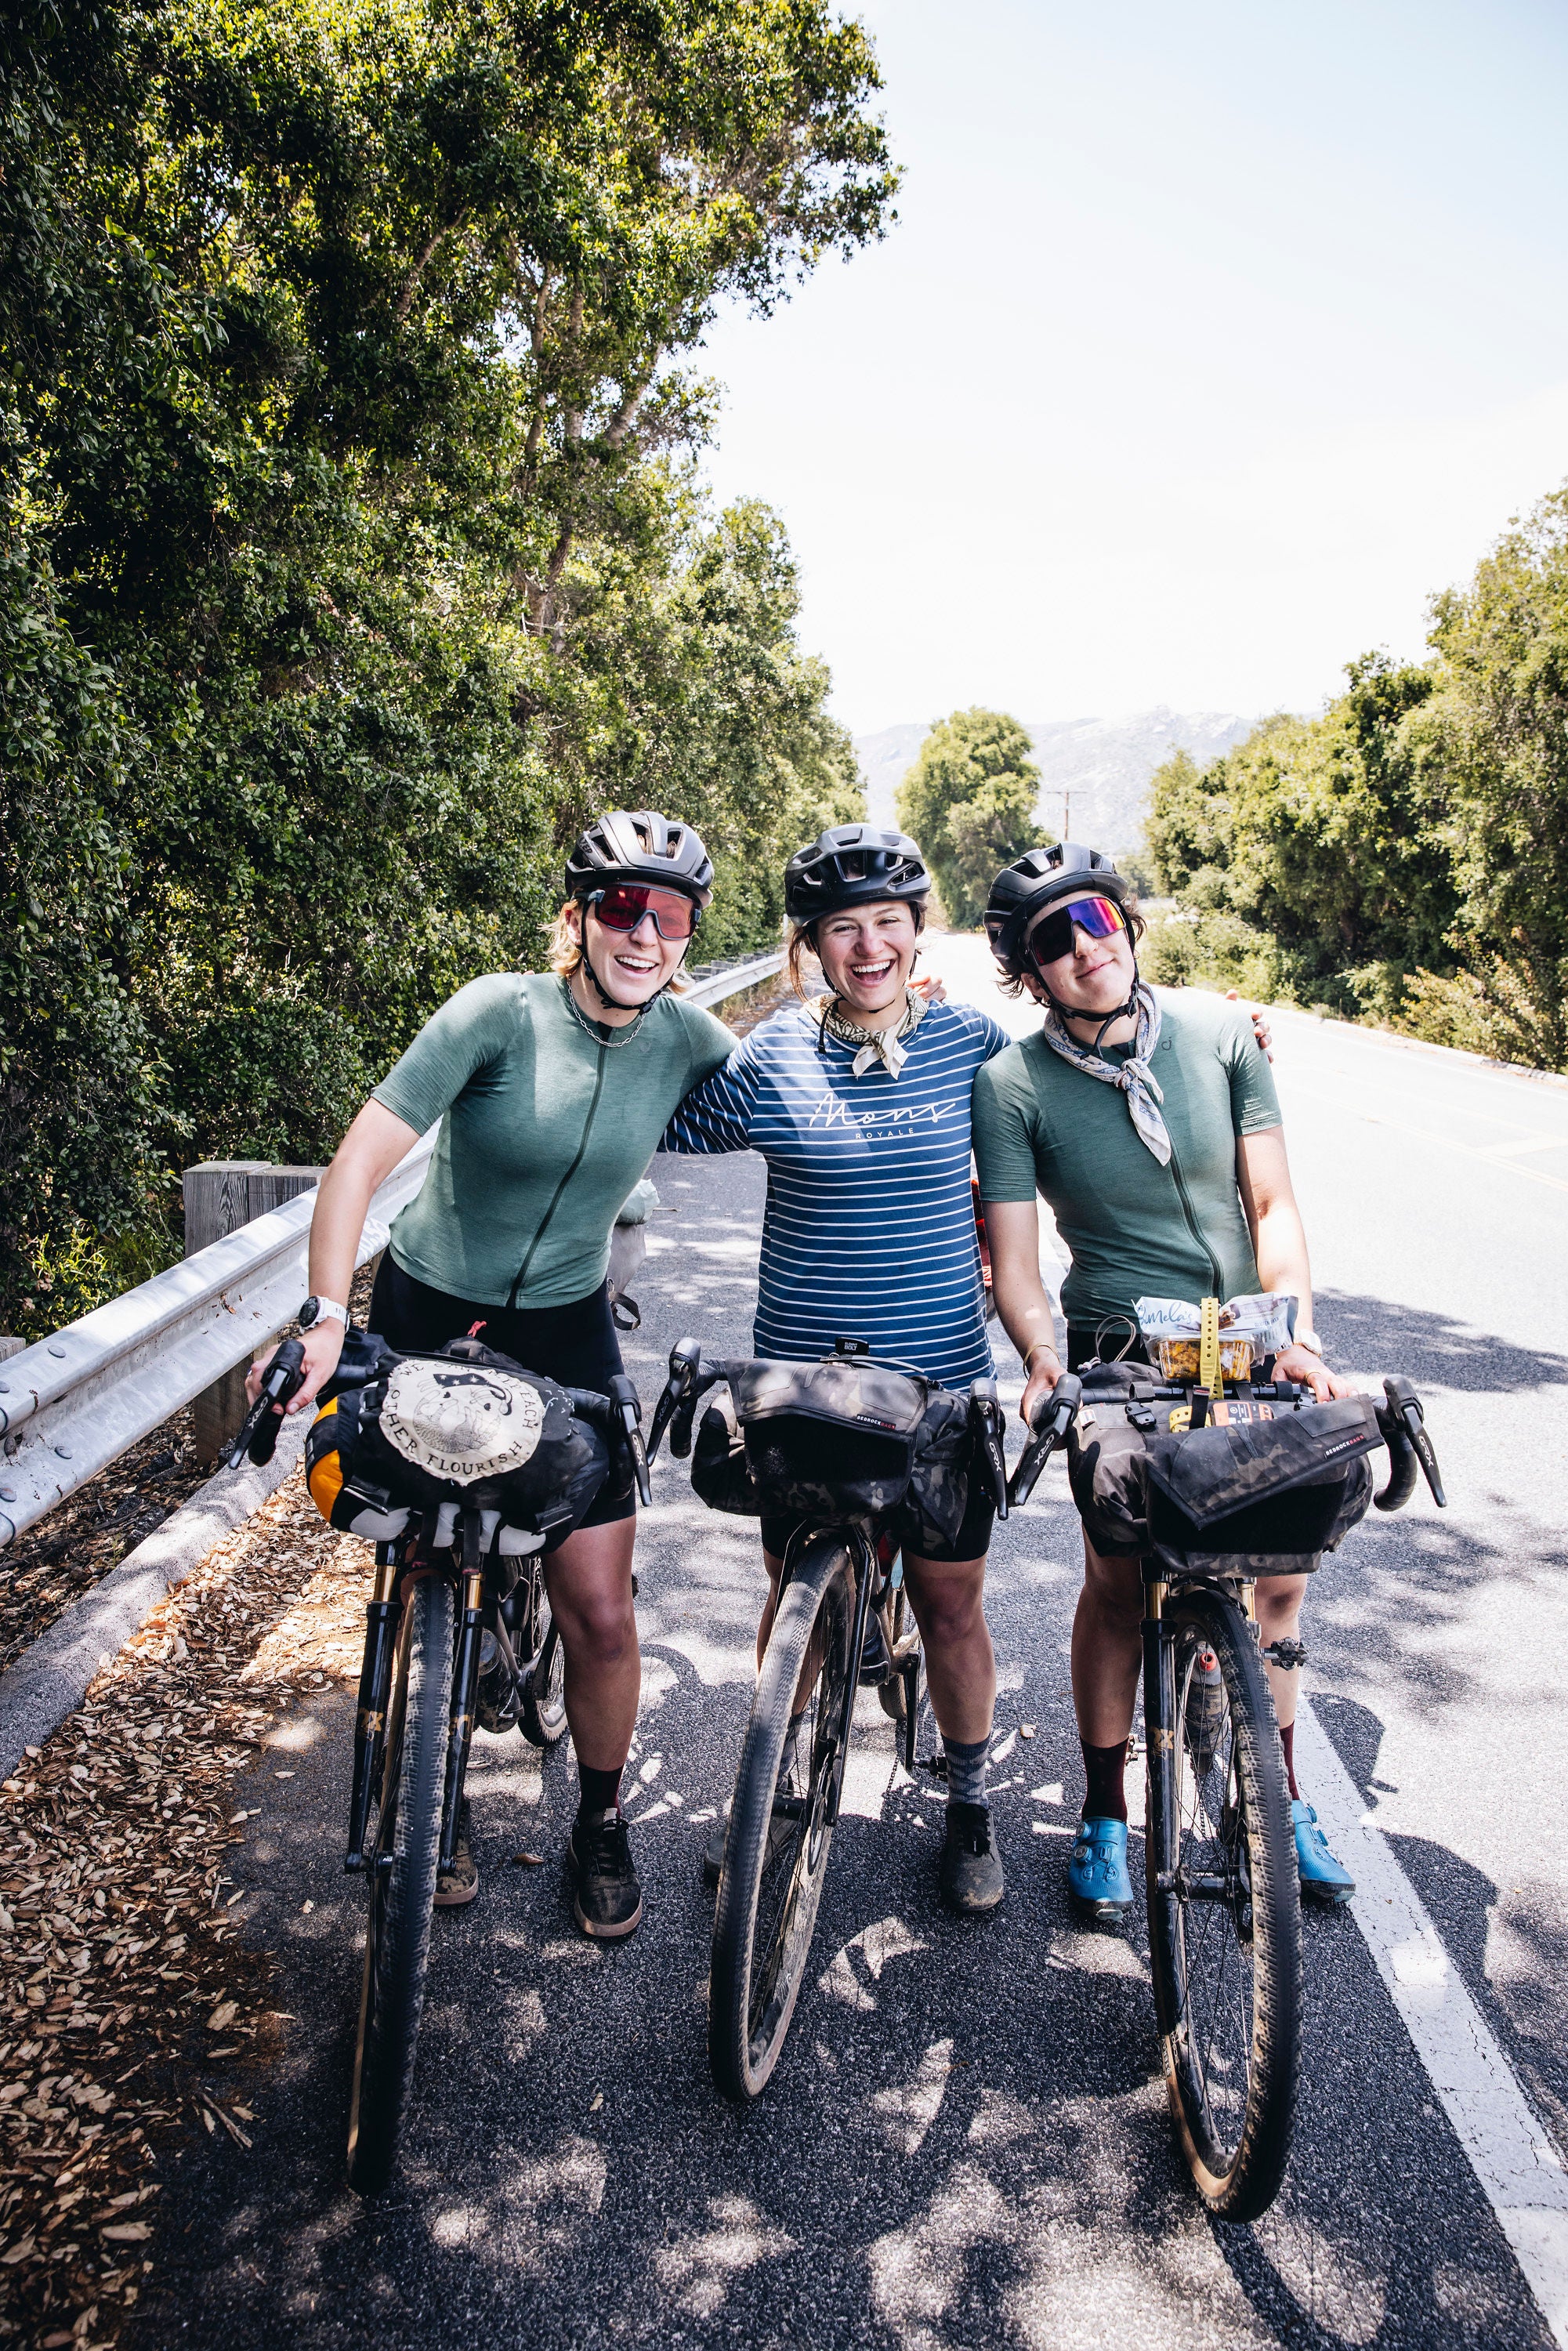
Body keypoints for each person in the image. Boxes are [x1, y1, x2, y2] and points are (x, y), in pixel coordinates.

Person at [247, 810, 733, 1938]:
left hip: (566, 1323)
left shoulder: (687, 1040)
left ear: (688, 935)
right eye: (621, 907)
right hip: (431, 1305)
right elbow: (359, 1162)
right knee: (423, 1549)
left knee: (603, 1612)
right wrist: (326, 1315)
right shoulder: (494, 1011)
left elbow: (801, 1112)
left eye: (668, 916)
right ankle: (433, 1796)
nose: (644, 932)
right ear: (577, 918)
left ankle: (600, 1825)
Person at [974, 842, 1357, 1919]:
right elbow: (1011, 1260)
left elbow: (1271, 1206)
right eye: (1054, 940)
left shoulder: (1223, 1035)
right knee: (1118, 1581)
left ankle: (1276, 1799)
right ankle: (1105, 1813)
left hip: (1249, 1337)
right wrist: (1043, 1357)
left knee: (1279, 1572)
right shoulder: (1011, 1086)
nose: (1086, 947)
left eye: (1097, 919)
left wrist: (1301, 1337)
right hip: (1119, 1347)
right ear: (1027, 970)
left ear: (1127, 923)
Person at [662, 824, 1016, 1914]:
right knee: (790, 1593)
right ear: (806, 945)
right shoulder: (767, 1054)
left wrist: (1210, 1039)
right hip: (803, 1389)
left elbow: (1077, 1097)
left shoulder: (973, 1046)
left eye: (886, 925)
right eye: (840, 930)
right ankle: (769, 1796)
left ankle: (967, 1805)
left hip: (941, 1384)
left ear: (917, 933)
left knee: (950, 1605)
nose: (866, 948)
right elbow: (643, 1110)